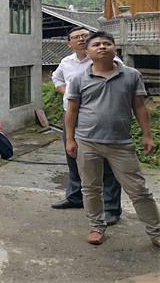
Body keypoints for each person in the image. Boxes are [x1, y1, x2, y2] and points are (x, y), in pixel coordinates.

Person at [65, 31, 160, 247]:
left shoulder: (131, 75)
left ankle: (156, 232)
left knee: (138, 190)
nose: (102, 47)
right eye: (96, 44)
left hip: (121, 144)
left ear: (114, 49)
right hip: (87, 141)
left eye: (107, 43)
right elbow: (71, 110)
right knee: (90, 188)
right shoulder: (79, 78)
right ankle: (97, 226)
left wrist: (147, 135)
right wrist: (70, 139)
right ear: (87, 51)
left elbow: (139, 106)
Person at [51, 26, 122, 226]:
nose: (81, 39)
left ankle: (111, 208)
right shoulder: (66, 62)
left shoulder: (107, 60)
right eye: (76, 37)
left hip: (98, 117)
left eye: (84, 36)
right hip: (71, 115)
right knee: (72, 156)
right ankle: (75, 197)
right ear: (69, 43)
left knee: (107, 162)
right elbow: (56, 78)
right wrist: (66, 90)